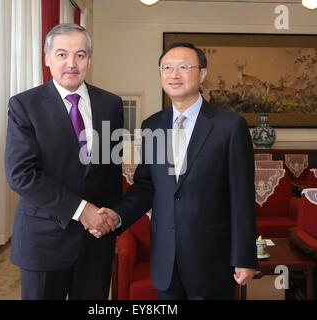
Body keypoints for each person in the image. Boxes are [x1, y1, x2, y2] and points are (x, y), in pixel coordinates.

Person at [95, 42, 258, 300]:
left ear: (202, 74)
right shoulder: (152, 126)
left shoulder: (229, 126)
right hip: (165, 261)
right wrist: (116, 215)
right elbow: (146, 186)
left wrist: (244, 257)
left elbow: (242, 198)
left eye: (184, 67)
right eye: (166, 67)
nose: (174, 74)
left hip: (211, 260)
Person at [5, 23, 123, 300]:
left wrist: (112, 221)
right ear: (47, 59)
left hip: (96, 243)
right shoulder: (25, 105)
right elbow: (21, 174)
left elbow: (110, 169)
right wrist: (83, 211)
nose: (71, 63)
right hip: (44, 240)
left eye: (80, 55)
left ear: (89, 61)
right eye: (62, 54)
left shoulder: (111, 104)